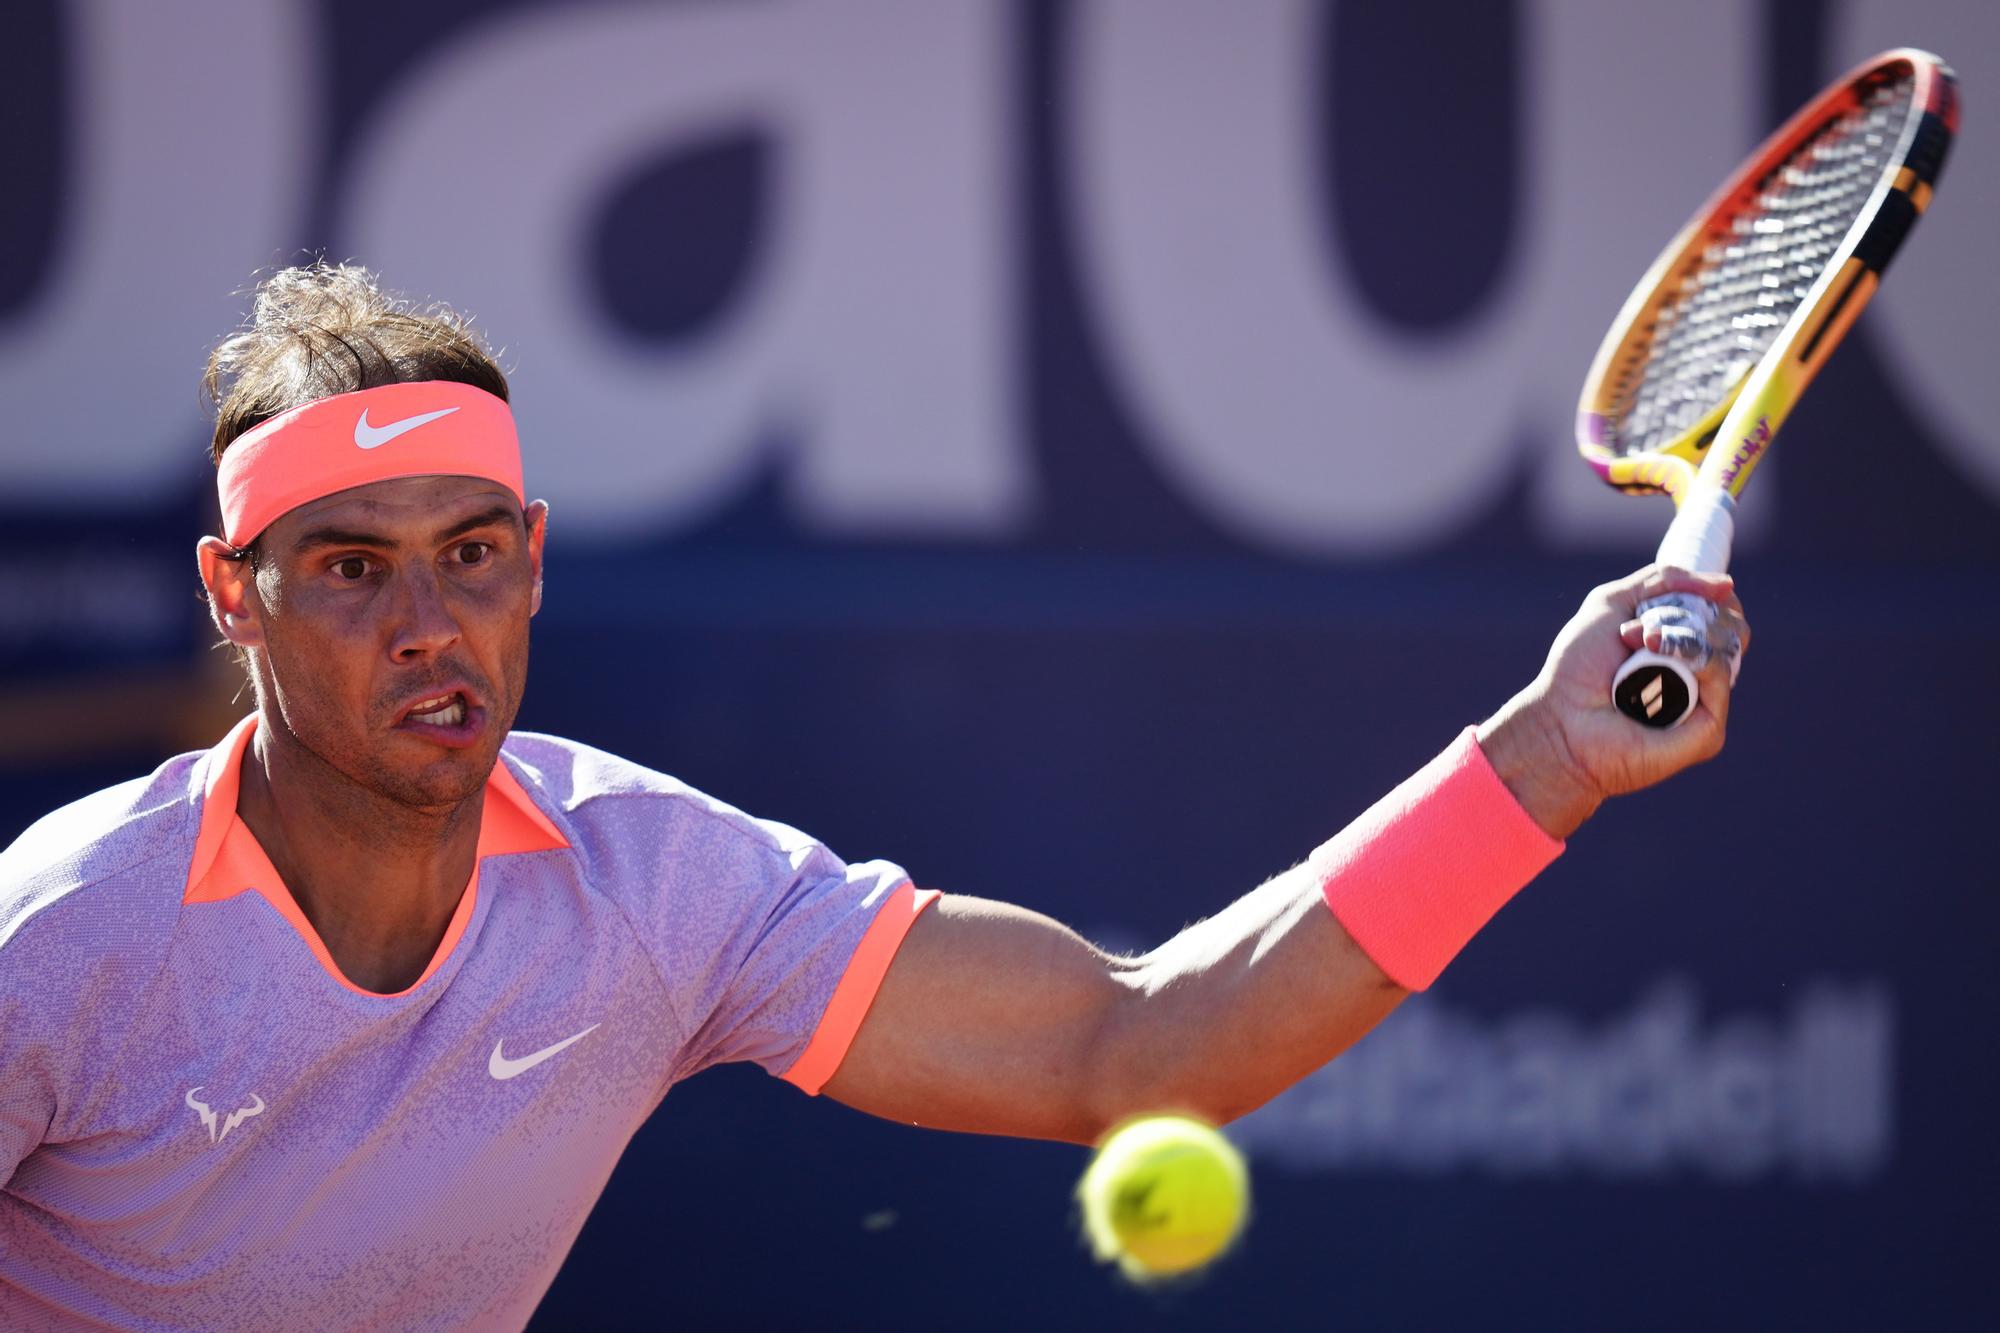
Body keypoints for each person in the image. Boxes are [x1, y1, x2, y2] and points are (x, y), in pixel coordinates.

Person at [0, 263, 1745, 1330]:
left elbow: (1141, 1051)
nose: (428, 622)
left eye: (468, 555)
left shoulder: (655, 893)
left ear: (534, 565)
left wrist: (1551, 751)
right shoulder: (67, 933)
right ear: (238, 596)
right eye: (352, 569)